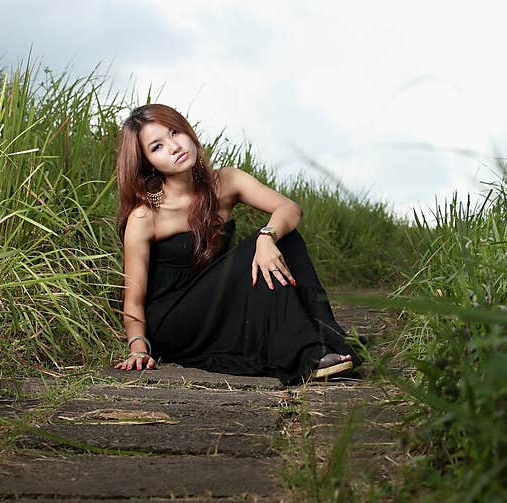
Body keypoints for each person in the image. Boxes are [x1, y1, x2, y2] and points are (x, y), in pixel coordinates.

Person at [112, 103, 359, 385]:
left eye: (175, 132)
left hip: (219, 304)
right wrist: (138, 348)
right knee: (258, 245)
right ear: (147, 162)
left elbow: (289, 208)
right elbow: (132, 299)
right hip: (174, 320)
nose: (173, 146)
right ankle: (306, 354)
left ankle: (326, 337)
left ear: (188, 132)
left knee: (284, 237)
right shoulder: (145, 216)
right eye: (157, 147)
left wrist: (268, 237)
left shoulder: (226, 181)